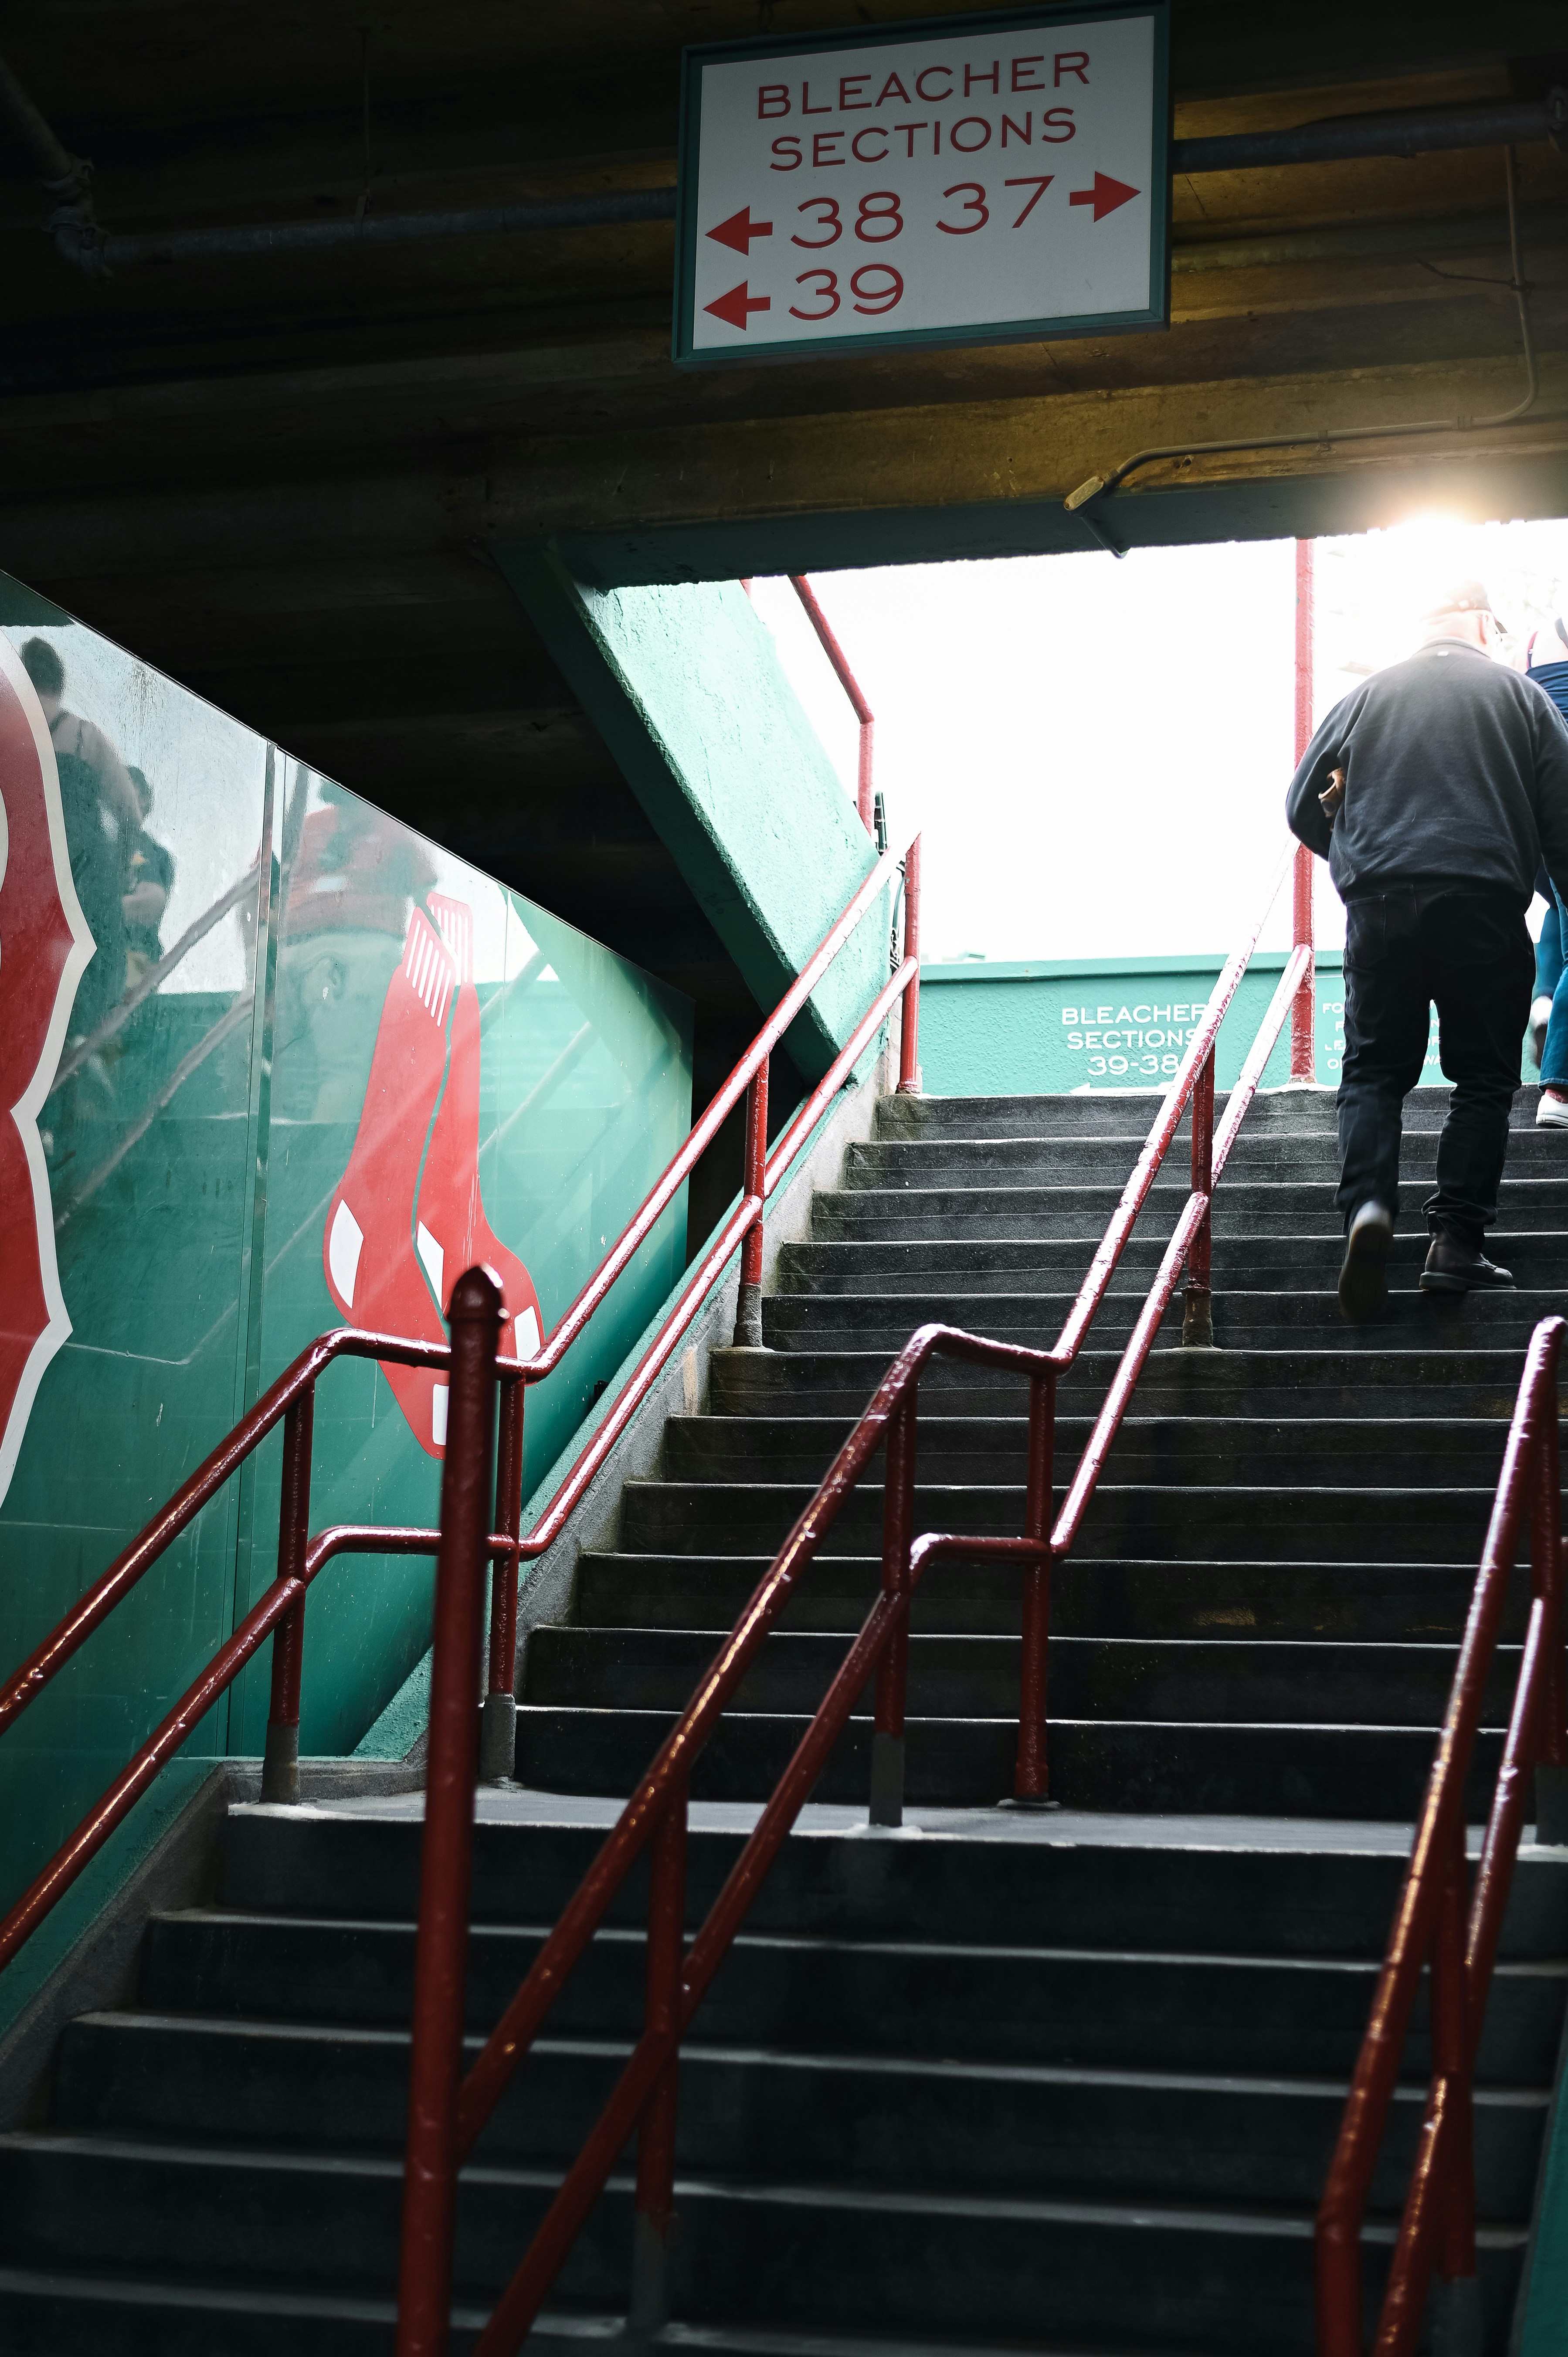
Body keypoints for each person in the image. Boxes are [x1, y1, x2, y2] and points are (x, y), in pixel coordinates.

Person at [1286, 581, 1568, 1322]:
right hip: (1481, 905)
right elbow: (1563, 819)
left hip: (1379, 907)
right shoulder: (1520, 697)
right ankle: (1453, 1242)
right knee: (1481, 1078)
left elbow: (1296, 807)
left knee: (1373, 1072)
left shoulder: (1362, 699)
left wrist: (1352, 855)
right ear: (1480, 623)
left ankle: (1368, 1208)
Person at [18, 635, 139, 1039]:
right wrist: (120, 871)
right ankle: (79, 1047)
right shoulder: (86, 736)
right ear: (60, 680)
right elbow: (129, 811)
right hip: (85, 867)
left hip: (26, 868)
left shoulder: (7, 736)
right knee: (84, 967)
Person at [1517, 621, 1568, 1128]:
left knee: (1561, 903)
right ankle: (1559, 1088)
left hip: (1529, 802)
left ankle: (1544, 998)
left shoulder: (1529, 643)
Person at [121, 764, 175, 988]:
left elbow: (152, 902)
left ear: (144, 799)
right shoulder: (102, 847)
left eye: (126, 786)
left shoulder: (141, 847)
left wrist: (95, 913)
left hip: (130, 965)